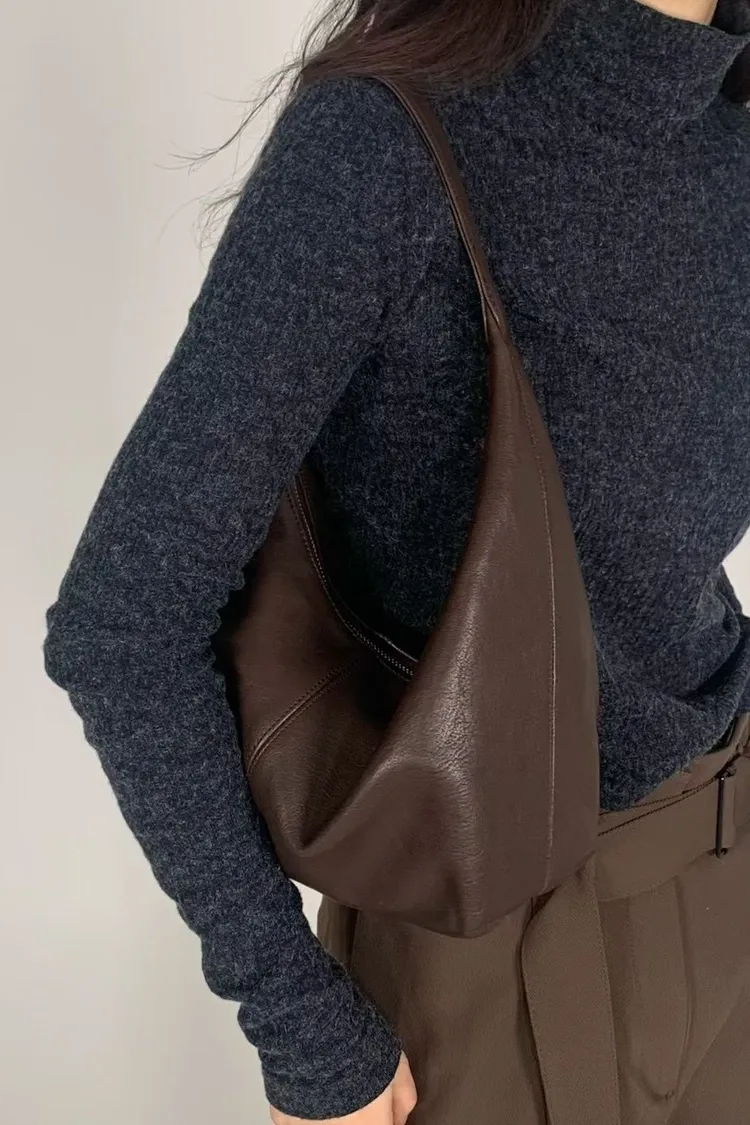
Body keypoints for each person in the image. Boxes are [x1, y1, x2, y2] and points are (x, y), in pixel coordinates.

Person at [43, 0, 750, 1121]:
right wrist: (304, 1027)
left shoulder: (724, 127)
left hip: (721, 880)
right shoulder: (389, 147)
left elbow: (658, 555)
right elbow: (122, 624)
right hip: (497, 960)